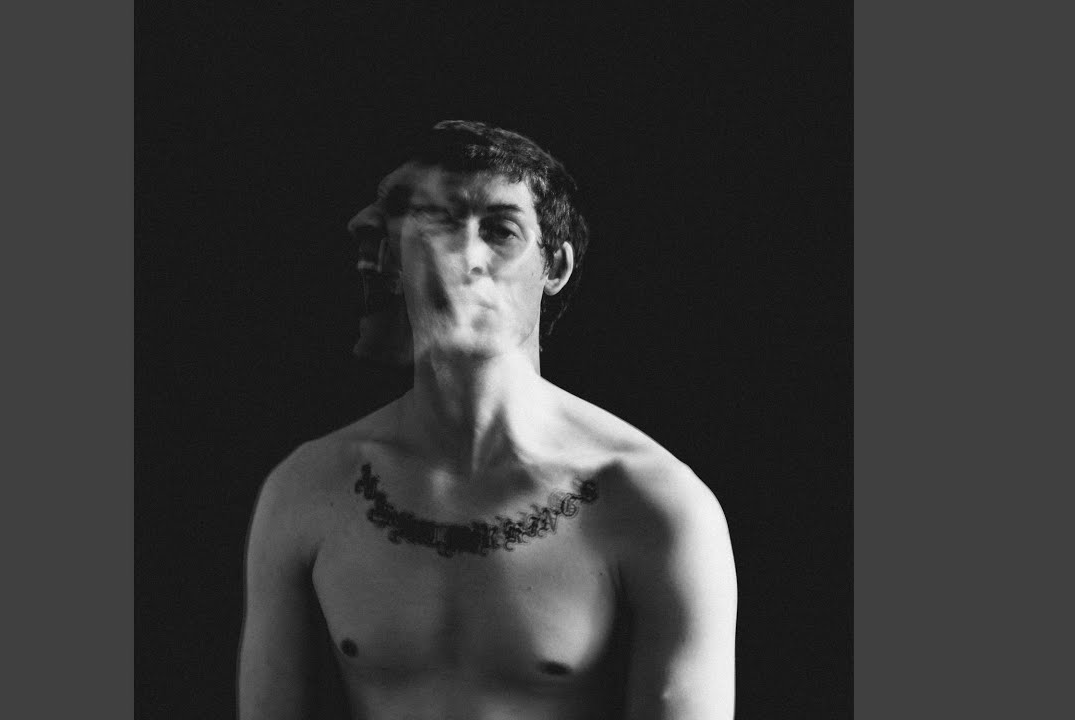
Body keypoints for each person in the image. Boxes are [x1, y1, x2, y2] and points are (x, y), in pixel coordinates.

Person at [237, 121, 737, 719]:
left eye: (500, 230)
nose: (465, 257)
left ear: (556, 267)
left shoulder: (654, 502)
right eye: (438, 226)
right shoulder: (310, 487)